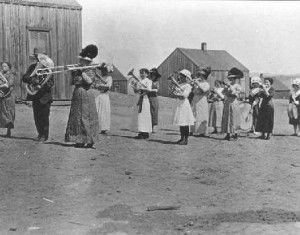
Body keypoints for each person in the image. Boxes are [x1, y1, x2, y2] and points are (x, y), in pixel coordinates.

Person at [65, 45, 99, 148]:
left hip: (86, 93)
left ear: (87, 62)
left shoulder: (91, 69)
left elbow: (89, 81)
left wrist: (82, 72)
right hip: (77, 93)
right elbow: (72, 82)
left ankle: (89, 140)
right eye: (81, 60)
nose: (80, 61)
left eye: (82, 60)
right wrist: (73, 72)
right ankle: (79, 140)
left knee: (86, 116)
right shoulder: (78, 69)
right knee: (77, 117)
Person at [22, 49, 54, 142]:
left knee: (44, 116)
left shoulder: (49, 68)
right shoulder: (32, 67)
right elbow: (25, 77)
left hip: (45, 96)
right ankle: (39, 134)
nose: (39, 60)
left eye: (41, 58)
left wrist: (41, 85)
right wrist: (33, 81)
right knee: (36, 116)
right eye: (38, 58)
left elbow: (51, 83)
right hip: (35, 96)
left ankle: (45, 135)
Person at [173, 69, 195, 145]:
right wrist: (176, 92)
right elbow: (176, 92)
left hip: (184, 104)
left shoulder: (188, 85)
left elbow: (185, 95)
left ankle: (186, 139)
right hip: (180, 103)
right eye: (181, 76)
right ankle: (182, 138)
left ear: (186, 77)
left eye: (183, 76)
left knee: (185, 122)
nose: (181, 78)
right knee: (181, 122)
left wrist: (179, 94)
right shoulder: (181, 84)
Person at [221, 67, 243, 141]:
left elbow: (236, 94)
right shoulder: (229, 85)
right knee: (227, 117)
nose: (231, 80)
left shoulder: (238, 86)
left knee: (234, 117)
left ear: (235, 79)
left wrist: (230, 87)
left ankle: (235, 134)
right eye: (230, 79)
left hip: (234, 102)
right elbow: (223, 92)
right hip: (228, 102)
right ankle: (228, 134)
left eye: (233, 79)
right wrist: (226, 88)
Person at [93, 63, 113, 134]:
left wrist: (100, 86)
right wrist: (97, 85)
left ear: (107, 71)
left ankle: (104, 128)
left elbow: (107, 87)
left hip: (104, 96)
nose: (103, 72)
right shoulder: (100, 77)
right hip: (99, 95)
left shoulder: (109, 78)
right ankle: (97, 127)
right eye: (102, 70)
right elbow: (95, 85)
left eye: (104, 70)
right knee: (97, 110)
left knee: (104, 111)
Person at [191, 67, 211, 137]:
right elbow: (193, 91)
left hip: (202, 100)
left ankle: (203, 131)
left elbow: (203, 90)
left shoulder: (206, 84)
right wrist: (193, 85)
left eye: (201, 75)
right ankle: (193, 130)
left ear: (204, 76)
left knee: (202, 115)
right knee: (194, 114)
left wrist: (198, 84)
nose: (200, 77)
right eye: (199, 75)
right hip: (196, 99)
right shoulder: (198, 83)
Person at [133, 68, 152, 139]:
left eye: (143, 73)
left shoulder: (148, 81)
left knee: (145, 114)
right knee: (140, 115)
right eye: (140, 73)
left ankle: (146, 133)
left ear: (147, 74)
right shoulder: (139, 81)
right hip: (139, 98)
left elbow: (149, 90)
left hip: (144, 99)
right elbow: (136, 91)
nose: (141, 74)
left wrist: (141, 90)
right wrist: (135, 88)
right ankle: (140, 132)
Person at [0, 62, 15, 137]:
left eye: (5, 66)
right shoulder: (1, 74)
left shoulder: (11, 75)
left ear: (9, 67)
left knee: (9, 113)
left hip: (8, 96)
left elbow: (9, 85)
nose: (3, 67)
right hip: (2, 96)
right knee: (2, 113)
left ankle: (9, 131)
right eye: (2, 66)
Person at [148, 68, 161, 133]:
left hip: (154, 98)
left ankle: (154, 126)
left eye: (154, 75)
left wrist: (149, 89)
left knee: (154, 112)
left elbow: (157, 90)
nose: (152, 76)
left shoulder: (156, 82)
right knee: (148, 112)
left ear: (156, 76)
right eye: (151, 75)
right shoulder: (148, 81)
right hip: (148, 98)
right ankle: (148, 126)